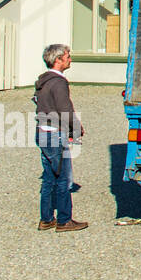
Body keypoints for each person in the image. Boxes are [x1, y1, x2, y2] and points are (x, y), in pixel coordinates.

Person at [34, 44, 87, 232]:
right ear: (58, 60)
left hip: (42, 132)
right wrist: (76, 129)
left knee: (49, 178)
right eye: (67, 56)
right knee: (64, 178)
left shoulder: (43, 80)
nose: (70, 59)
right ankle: (65, 220)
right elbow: (65, 109)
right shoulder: (59, 82)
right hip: (55, 134)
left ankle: (46, 218)